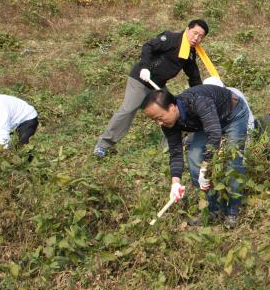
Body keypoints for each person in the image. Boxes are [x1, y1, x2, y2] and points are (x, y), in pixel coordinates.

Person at [93, 19, 216, 157]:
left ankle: (169, 146)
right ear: (187, 29)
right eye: (195, 33)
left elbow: (193, 76)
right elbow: (148, 47)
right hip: (141, 79)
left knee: (171, 110)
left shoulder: (189, 53)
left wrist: (203, 93)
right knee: (128, 109)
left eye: (201, 37)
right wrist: (145, 67)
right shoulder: (170, 38)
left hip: (157, 85)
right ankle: (103, 145)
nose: (196, 38)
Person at [141, 83, 249, 228]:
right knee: (193, 157)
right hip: (206, 123)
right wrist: (175, 182)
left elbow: (215, 134)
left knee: (233, 161)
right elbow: (175, 151)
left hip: (233, 115)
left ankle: (232, 211)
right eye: (154, 120)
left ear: (172, 107)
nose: (158, 123)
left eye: (160, 117)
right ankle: (212, 210)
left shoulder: (197, 101)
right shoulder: (168, 123)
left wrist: (206, 167)